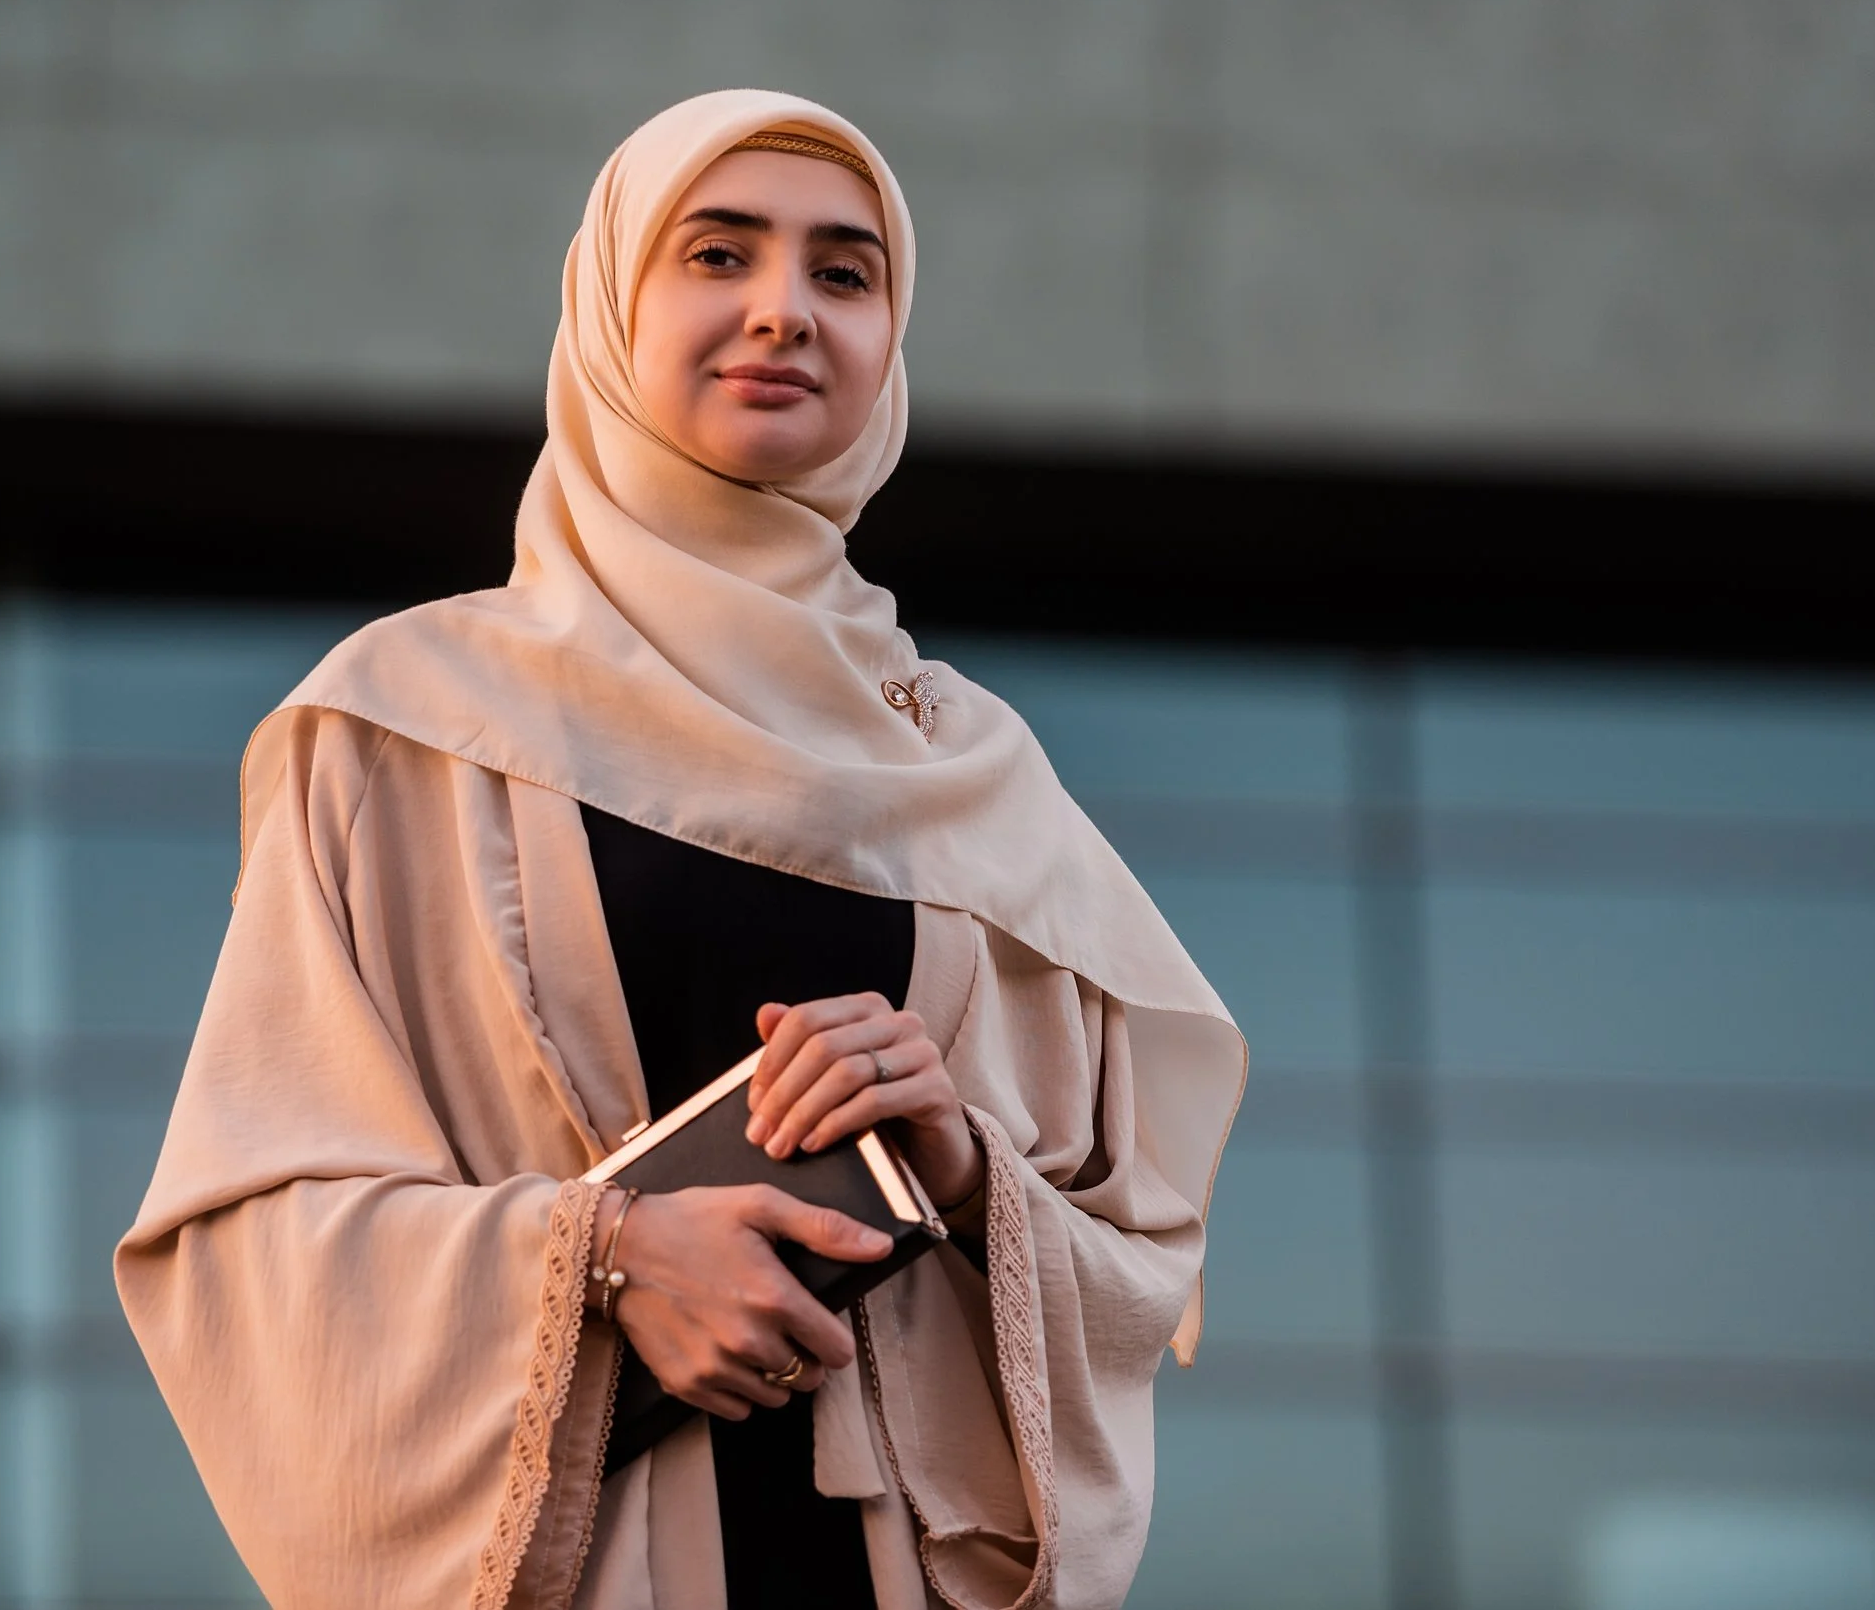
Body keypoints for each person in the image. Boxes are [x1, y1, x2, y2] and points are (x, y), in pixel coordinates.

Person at [114, 89, 1245, 1610]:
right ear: (610, 304)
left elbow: (1133, 1262)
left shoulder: (976, 772)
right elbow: (254, 1247)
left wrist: (969, 1169)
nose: (784, 312)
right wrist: (611, 1256)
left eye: (846, 275)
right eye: (718, 254)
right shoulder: (412, 728)